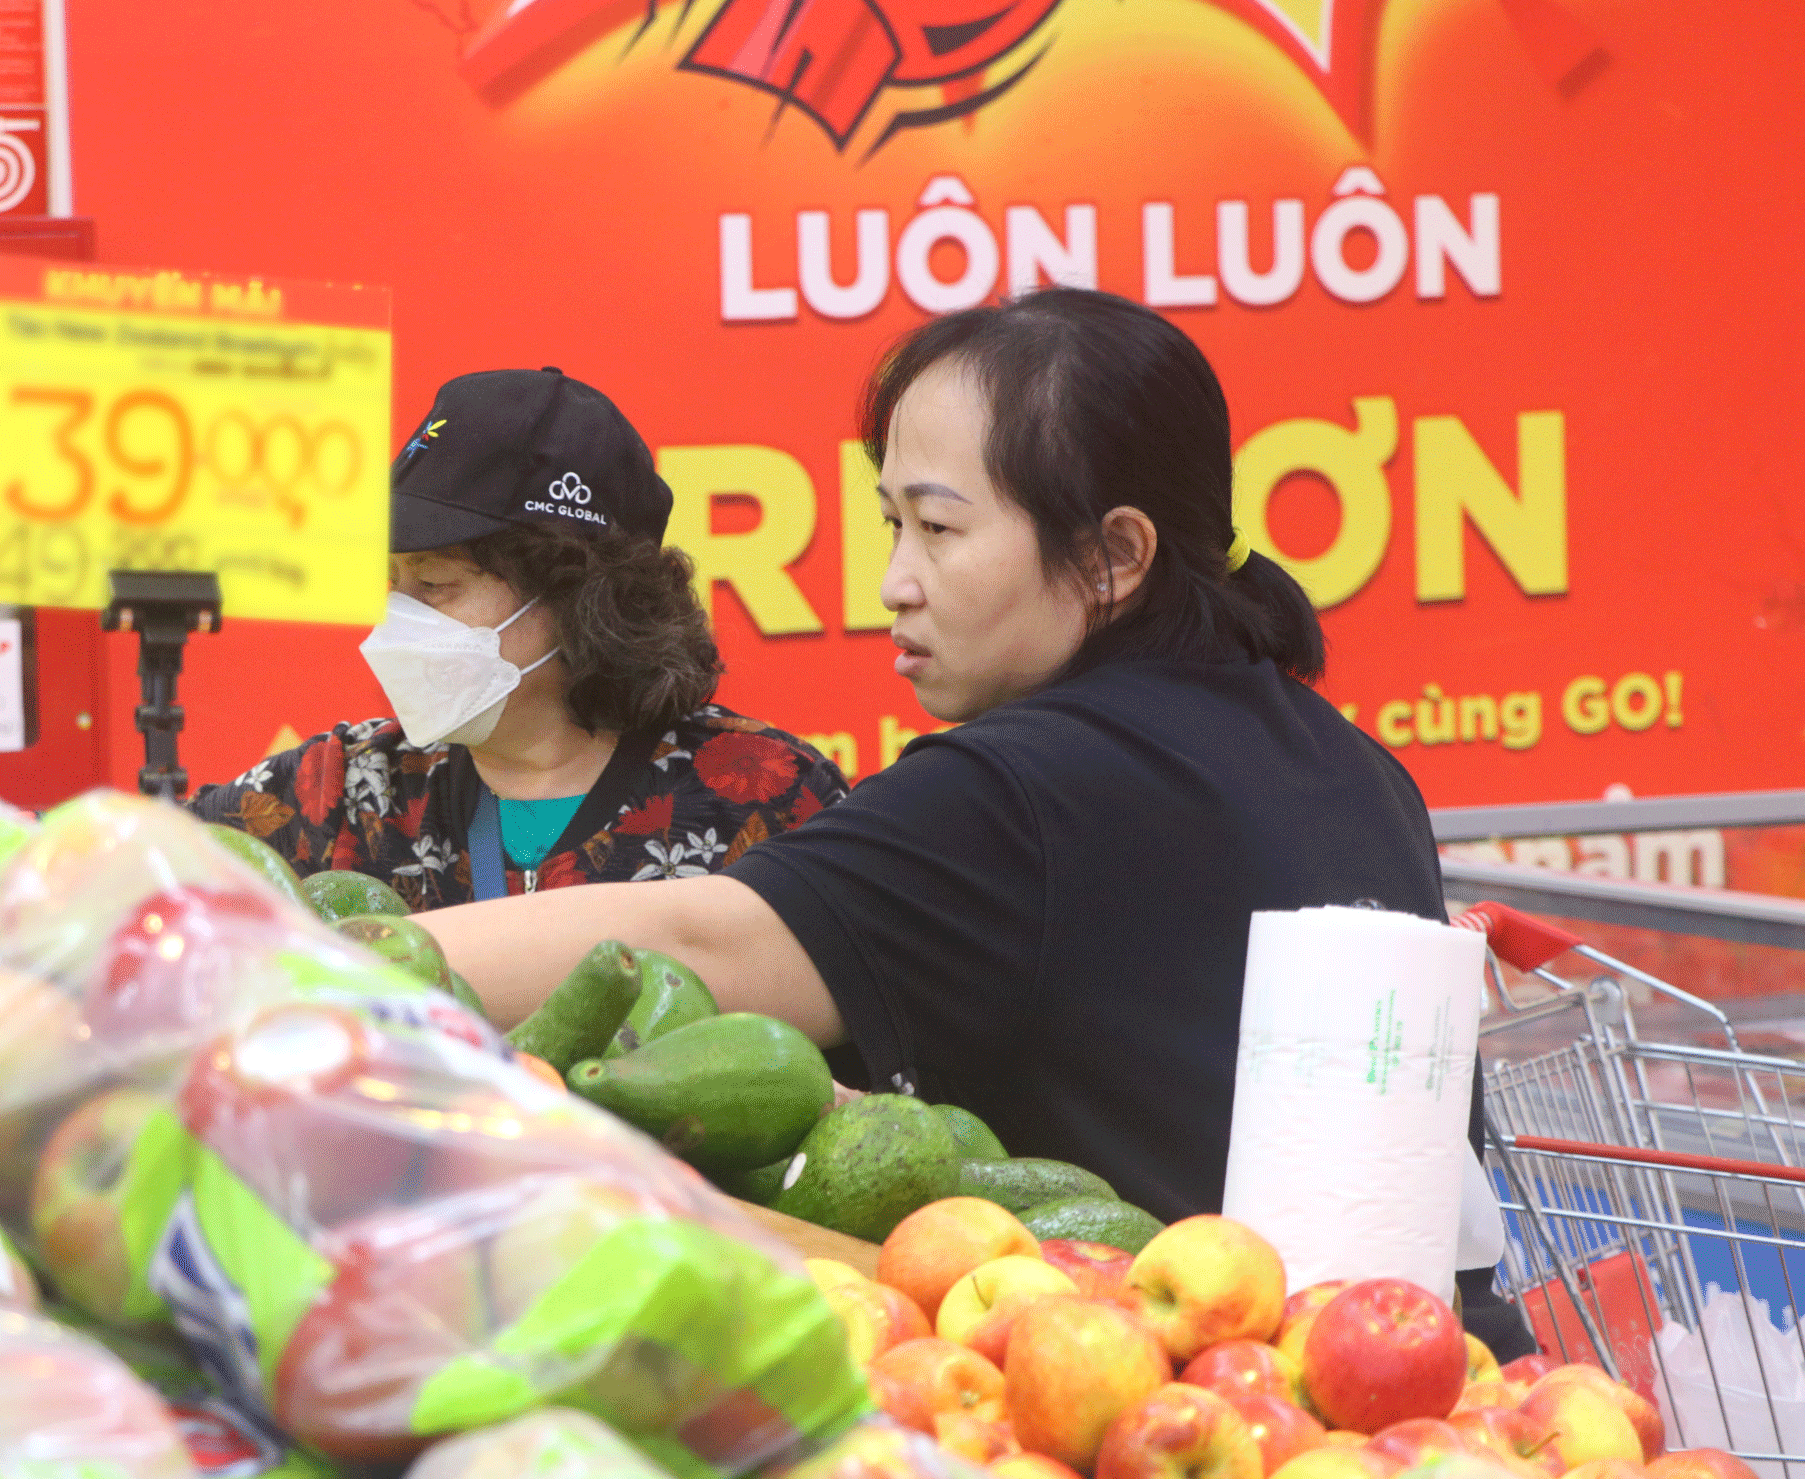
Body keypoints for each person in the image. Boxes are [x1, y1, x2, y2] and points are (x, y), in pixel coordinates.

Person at [416, 292, 1533, 1353]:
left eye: (940, 530)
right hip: (1424, 1388)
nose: (896, 581)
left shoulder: (1030, 792)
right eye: (891, 522)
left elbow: (707, 940)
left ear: (1112, 556)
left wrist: (301, 960)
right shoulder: (1346, 760)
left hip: (1212, 1439)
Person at [187, 367, 850, 908]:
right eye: (390, 582)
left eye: (436, 584)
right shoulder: (337, 792)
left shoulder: (767, 797)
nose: (397, 617)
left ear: (574, 597)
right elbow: (121, 878)